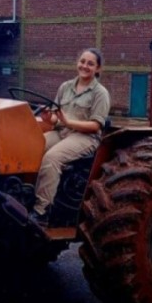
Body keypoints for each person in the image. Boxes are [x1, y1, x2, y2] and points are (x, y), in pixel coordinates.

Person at [31, 48, 110, 225]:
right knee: (31, 149)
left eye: (90, 64)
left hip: (85, 137)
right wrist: (48, 117)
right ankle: (23, 196)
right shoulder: (65, 87)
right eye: (82, 61)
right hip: (61, 132)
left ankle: (42, 211)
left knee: (52, 158)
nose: (85, 66)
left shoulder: (100, 93)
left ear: (98, 69)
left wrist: (67, 122)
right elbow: (55, 117)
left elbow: (96, 125)